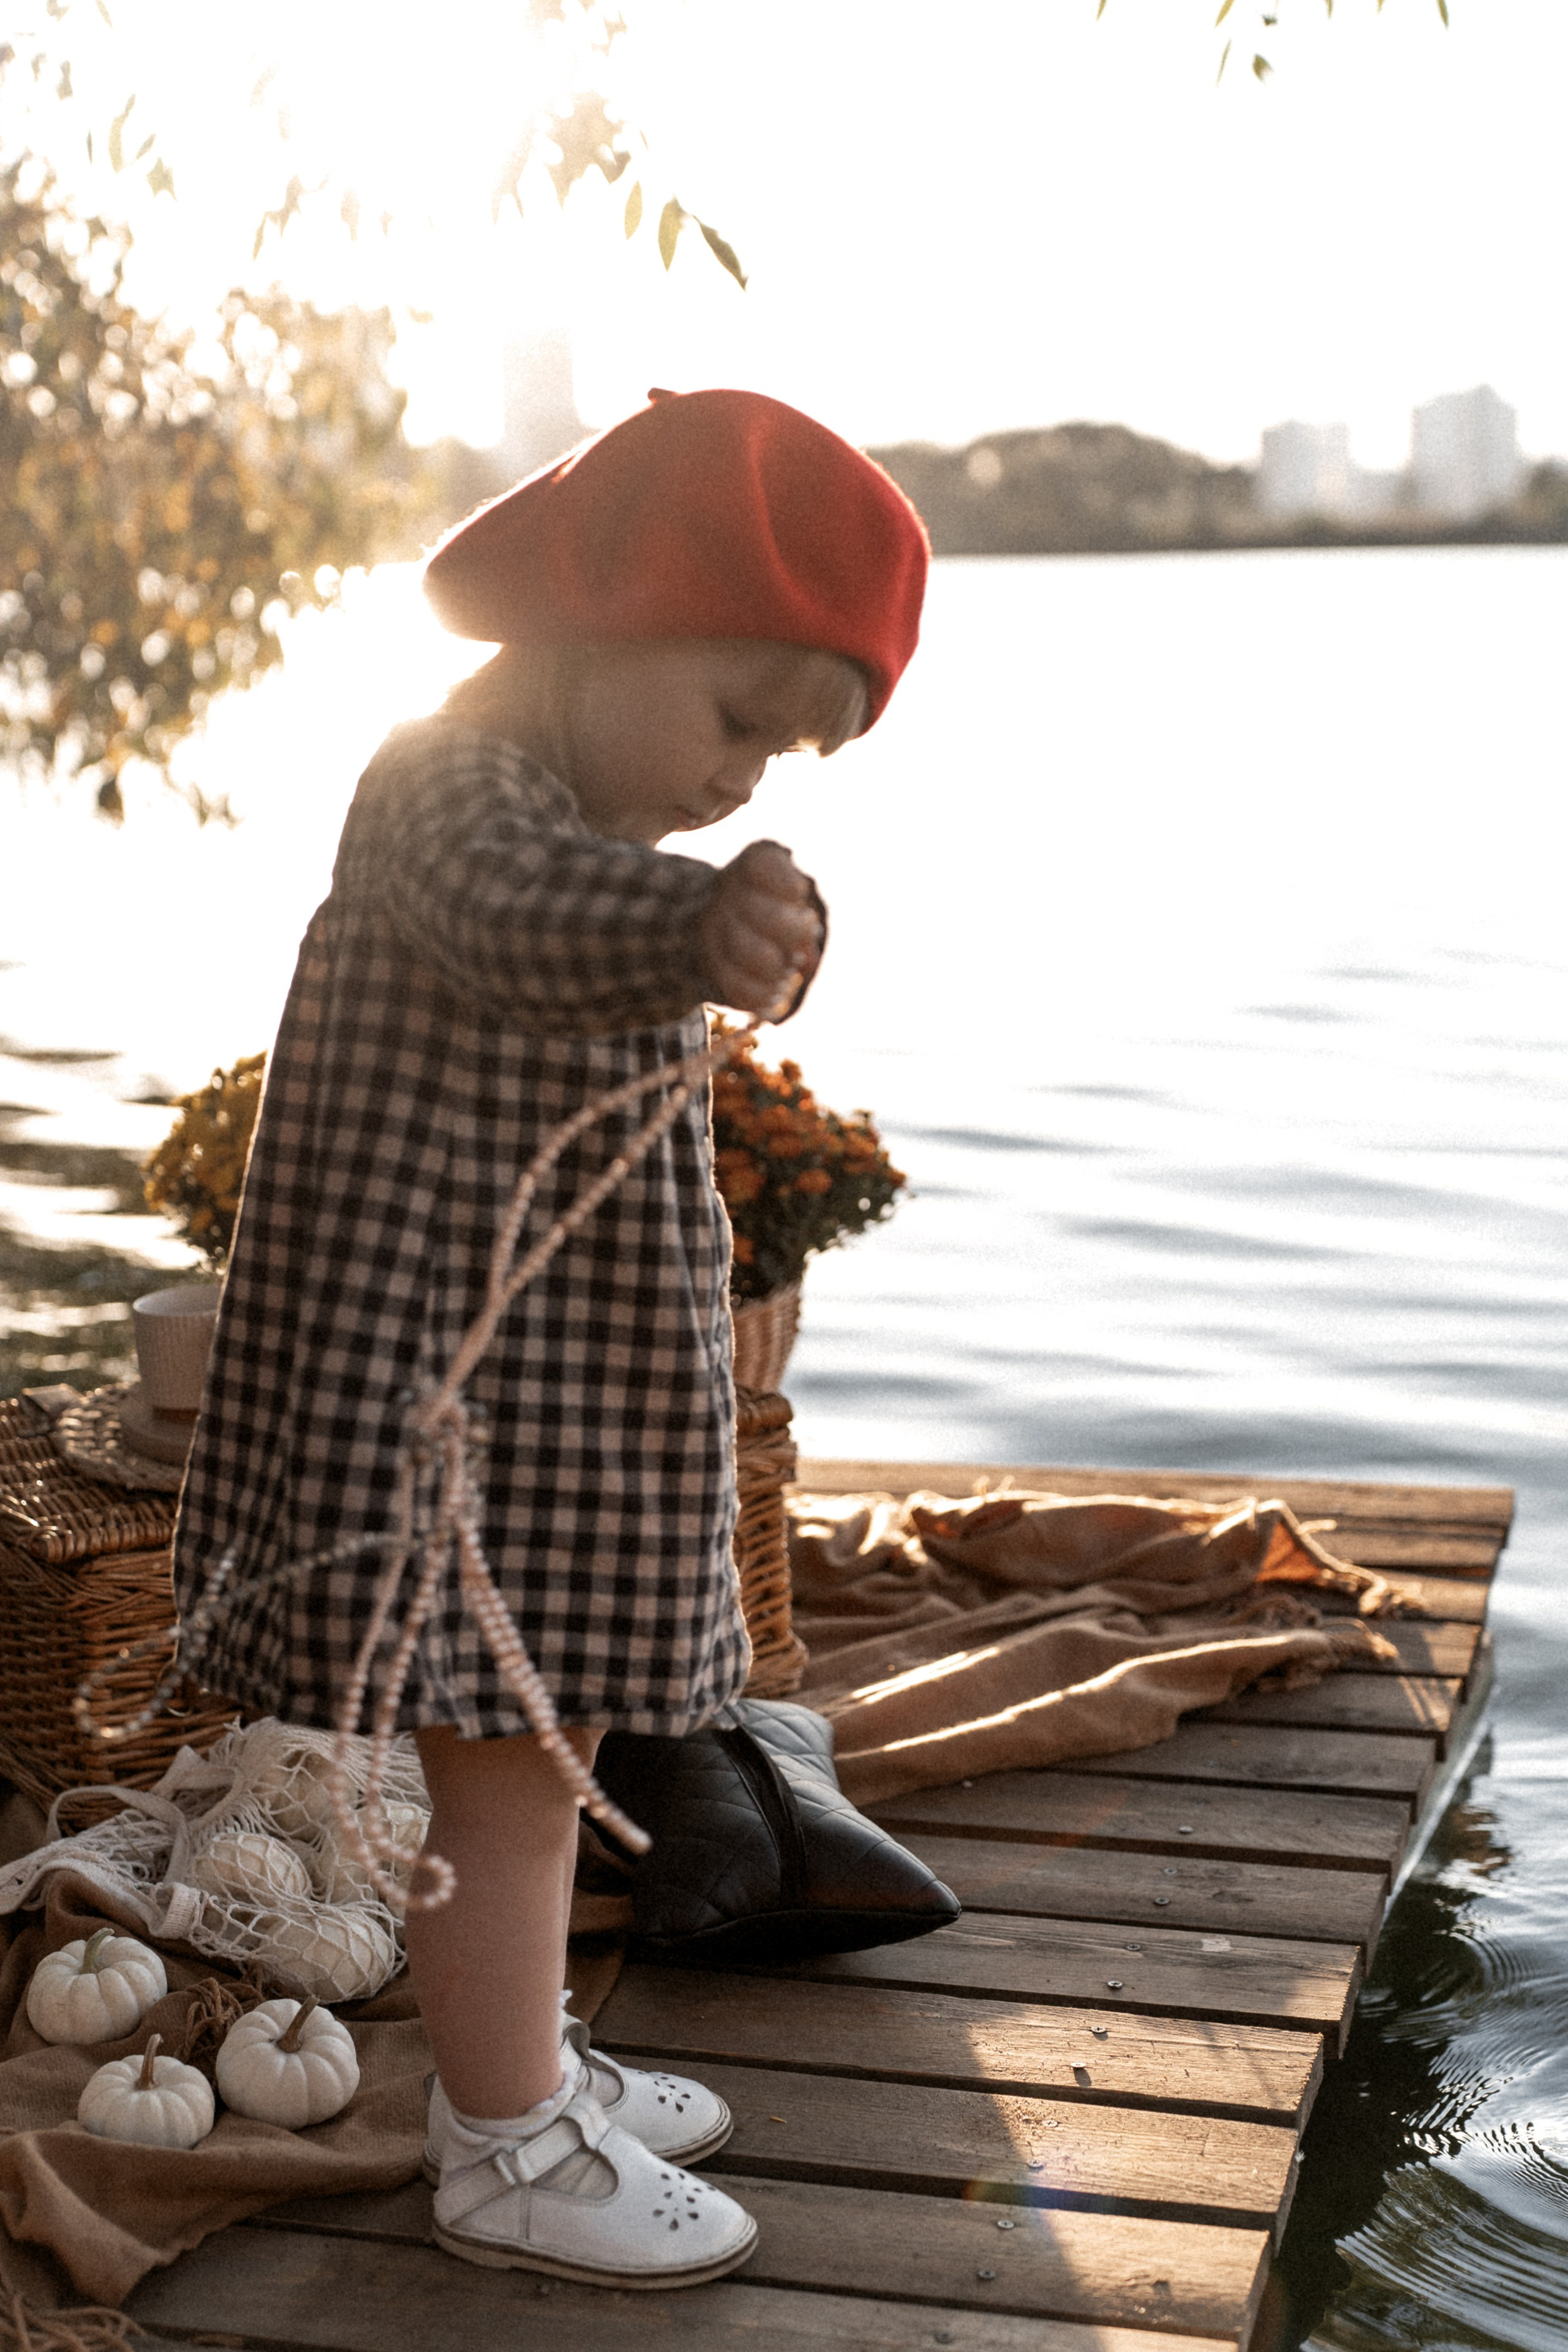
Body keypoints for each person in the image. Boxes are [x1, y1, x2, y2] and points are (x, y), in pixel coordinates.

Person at [173, 386, 928, 2288]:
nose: (748, 774)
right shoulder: (449, 788)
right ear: (600, 613)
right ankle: (503, 2145)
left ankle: (519, 2065)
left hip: (549, 1396)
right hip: (448, 1405)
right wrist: (693, 927)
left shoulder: (591, 821)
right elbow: (530, 920)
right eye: (738, 715)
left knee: (553, 1726)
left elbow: (606, 927)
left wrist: (724, 926)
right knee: (506, 1760)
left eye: (792, 755)